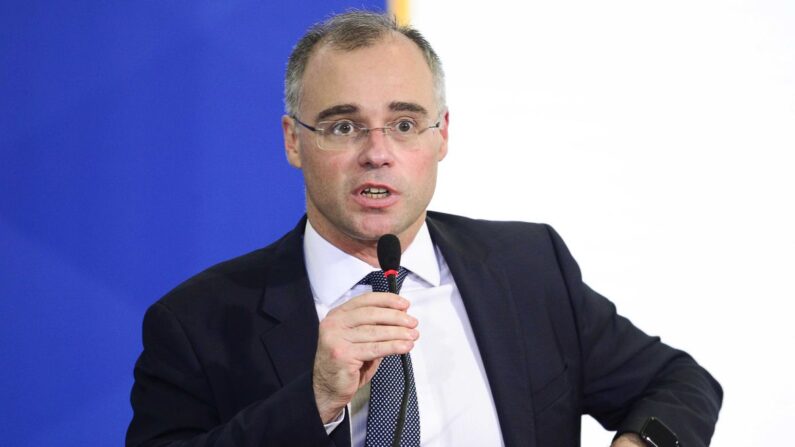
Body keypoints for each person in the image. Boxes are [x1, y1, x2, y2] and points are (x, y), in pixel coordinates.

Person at [127, 11, 722, 447]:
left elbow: (679, 383)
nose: (377, 153)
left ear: (442, 135)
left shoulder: (527, 267)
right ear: (293, 141)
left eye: (405, 123)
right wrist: (312, 401)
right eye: (342, 127)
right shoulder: (197, 323)